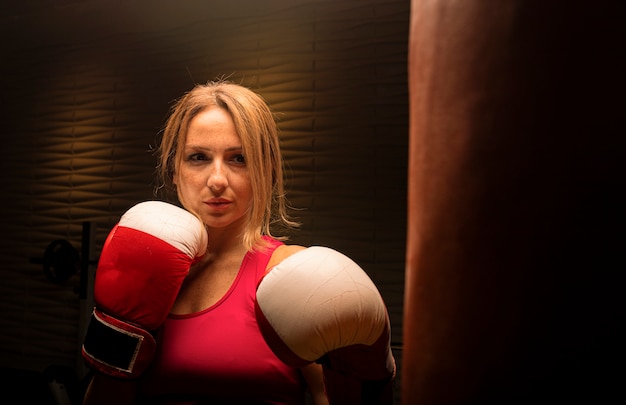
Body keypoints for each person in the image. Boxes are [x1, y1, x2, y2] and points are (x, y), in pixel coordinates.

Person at [82, 80, 394, 405]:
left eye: (239, 158)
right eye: (199, 157)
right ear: (175, 170)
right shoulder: (147, 264)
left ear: (266, 170)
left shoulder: (290, 274)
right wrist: (115, 337)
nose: (217, 180)